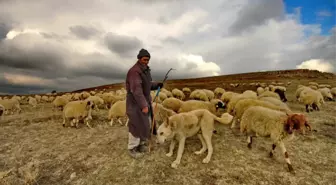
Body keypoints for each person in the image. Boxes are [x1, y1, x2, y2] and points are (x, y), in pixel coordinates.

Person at [125, 48, 164, 158]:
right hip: (135, 103)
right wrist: (143, 105)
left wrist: (157, 85)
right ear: (139, 58)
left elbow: (147, 85)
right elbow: (136, 90)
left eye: (148, 60)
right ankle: (132, 148)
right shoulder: (134, 71)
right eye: (144, 59)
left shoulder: (145, 70)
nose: (146, 61)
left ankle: (141, 144)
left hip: (144, 100)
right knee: (136, 125)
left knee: (145, 123)